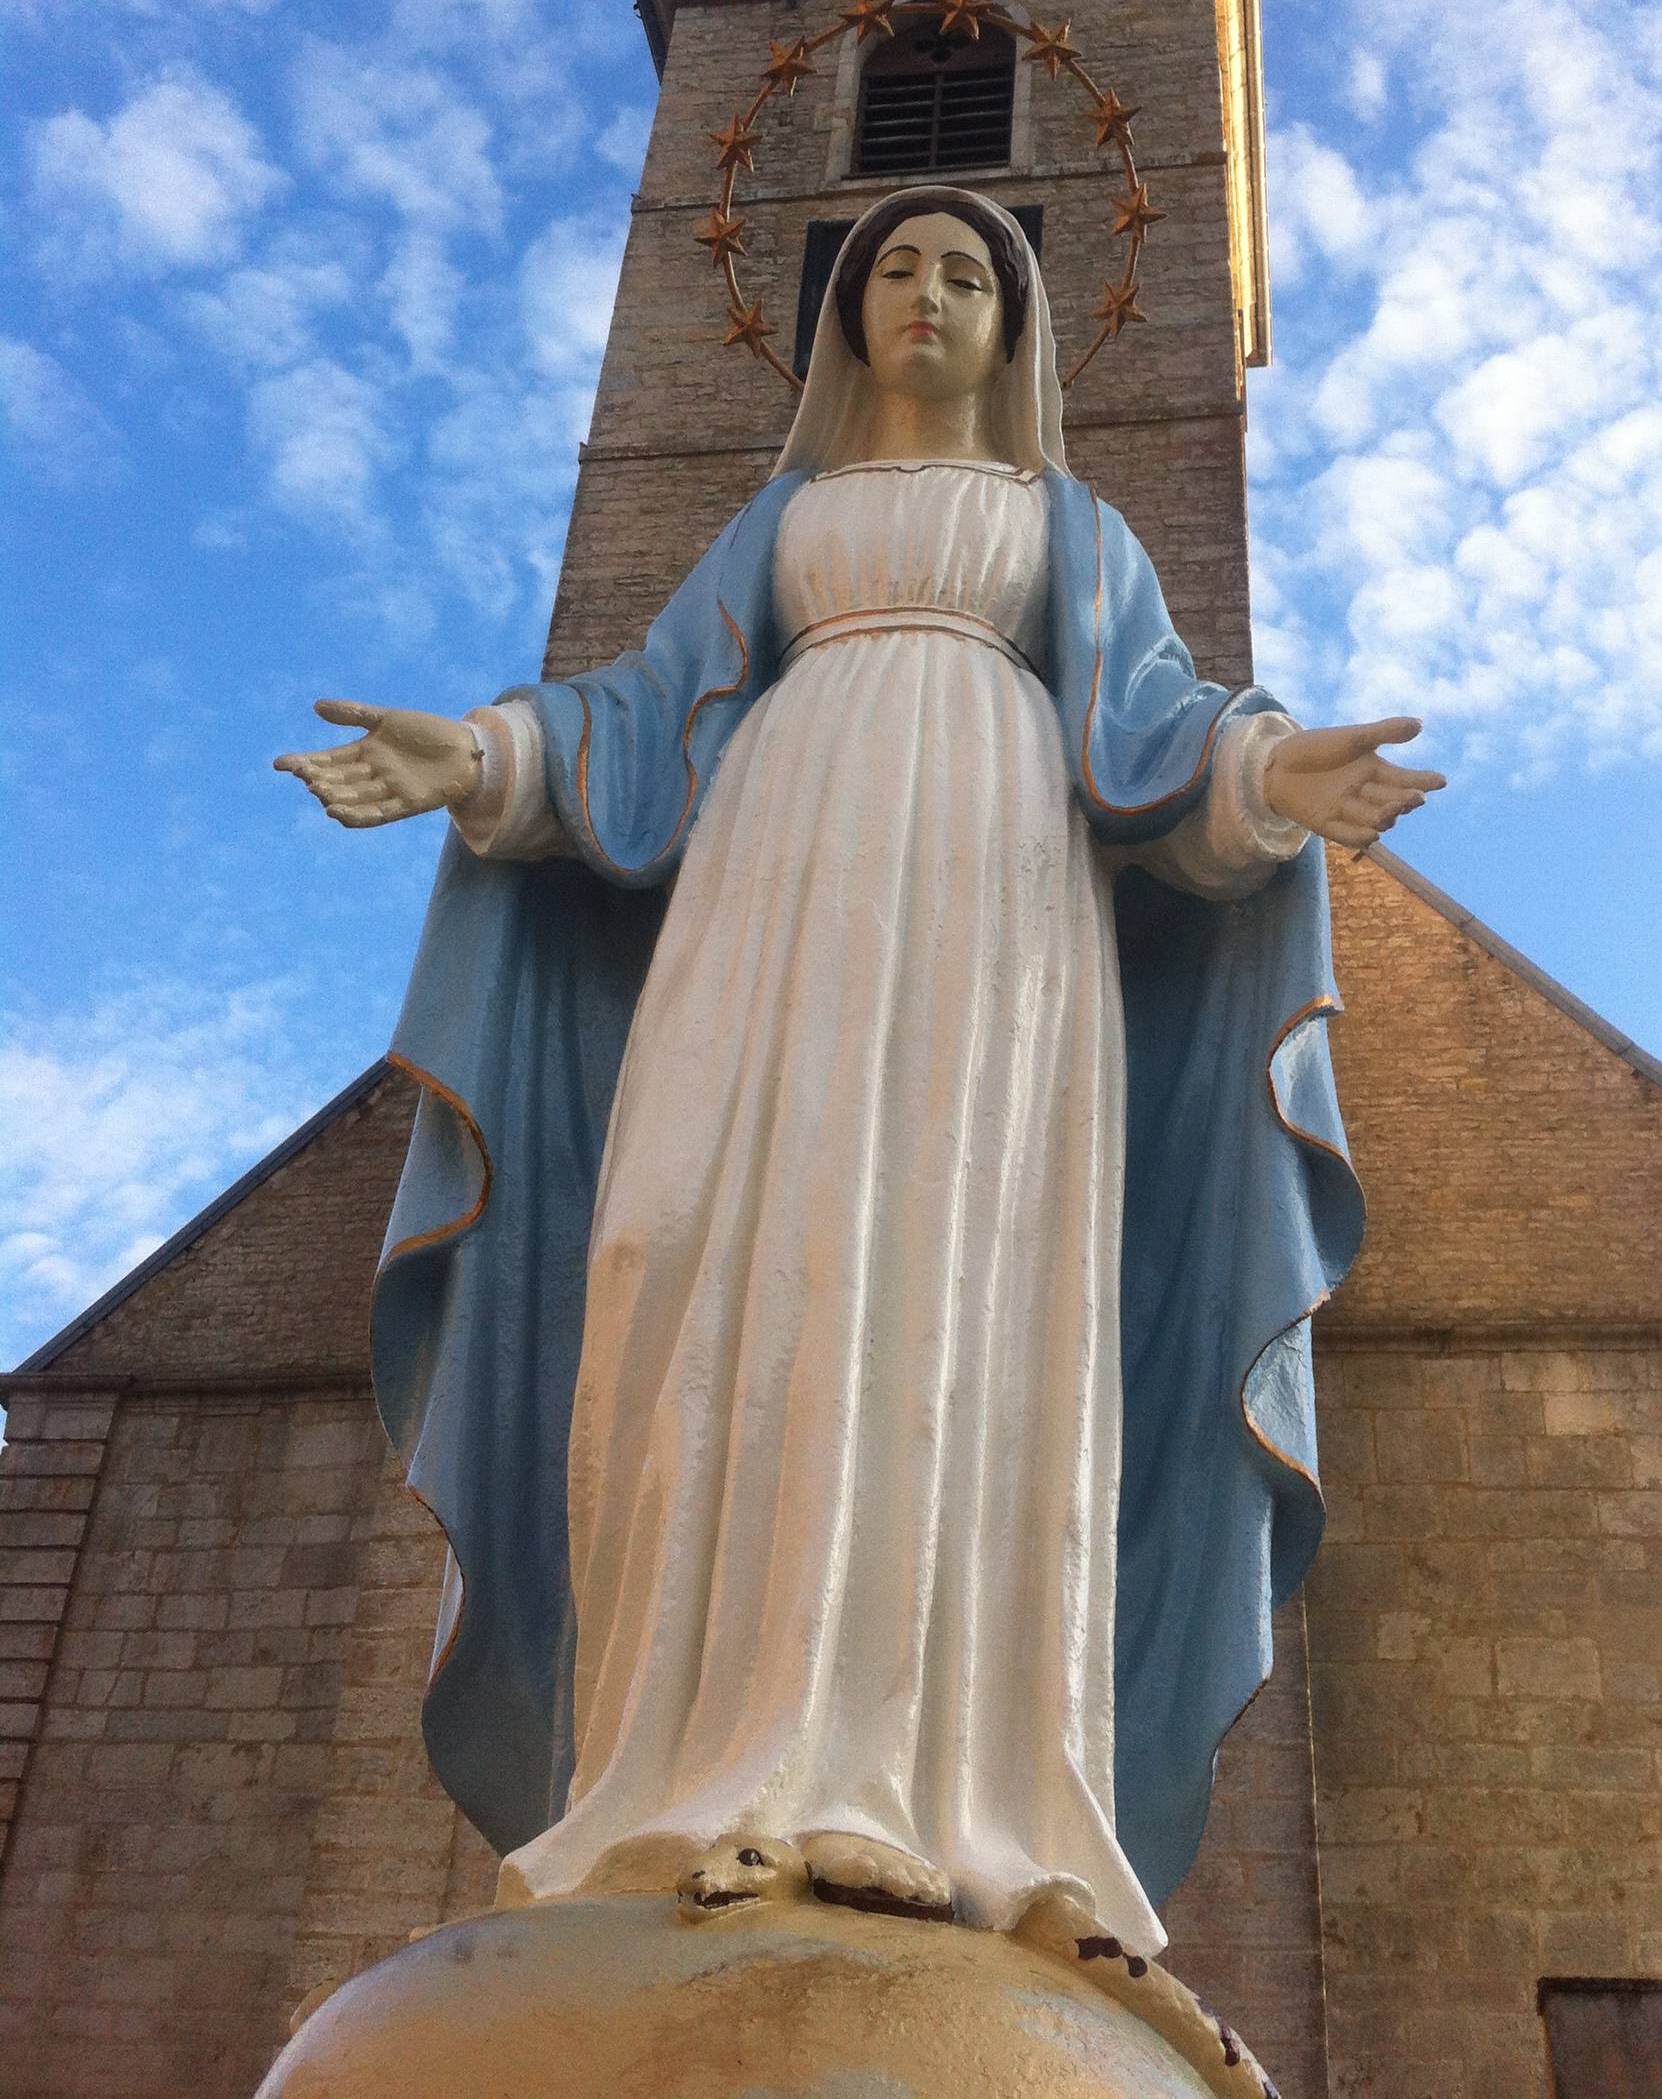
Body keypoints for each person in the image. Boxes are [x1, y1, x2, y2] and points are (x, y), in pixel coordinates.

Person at [277, 184, 1442, 1956]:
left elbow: (1159, 725)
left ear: (1018, 322)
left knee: (954, 1295)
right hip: (762, 907)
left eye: (969, 273)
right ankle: (695, 1766)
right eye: (894, 266)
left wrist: (1274, 781)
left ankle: (955, 1789)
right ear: (843, 311)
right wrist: (483, 753)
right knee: (701, 1262)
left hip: (998, 930)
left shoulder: (1069, 527)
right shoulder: (783, 523)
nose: (927, 294)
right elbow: (636, 711)